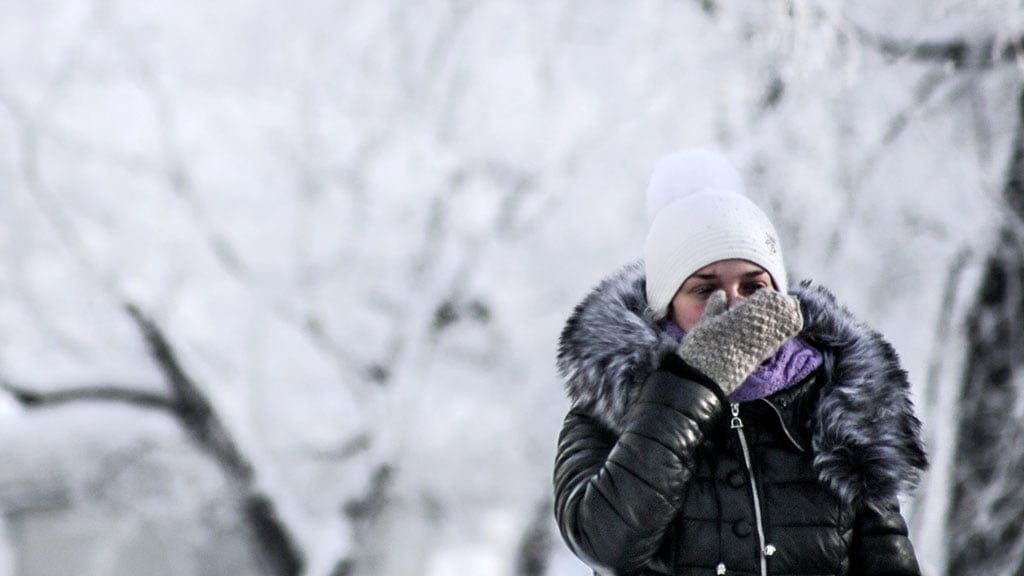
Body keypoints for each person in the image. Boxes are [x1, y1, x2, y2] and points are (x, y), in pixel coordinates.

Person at [553, 149, 928, 576]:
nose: (733, 304)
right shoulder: (609, 407)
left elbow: (885, 559)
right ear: (665, 304)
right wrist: (692, 381)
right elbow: (605, 545)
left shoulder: (838, 400)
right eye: (704, 289)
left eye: (753, 286)